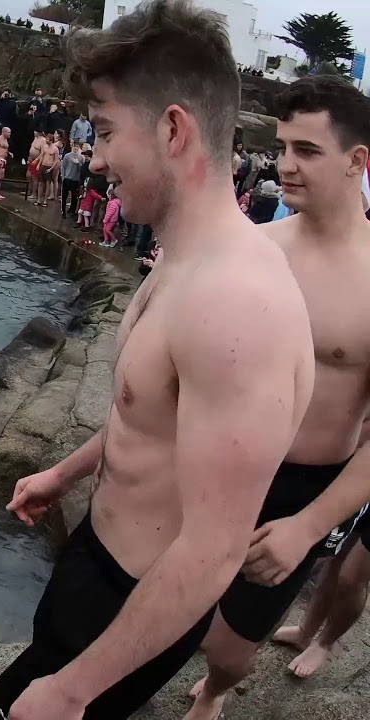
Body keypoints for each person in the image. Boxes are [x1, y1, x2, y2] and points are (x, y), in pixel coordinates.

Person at [0, 3, 316, 718]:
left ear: (172, 129)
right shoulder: (184, 259)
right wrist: (66, 473)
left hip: (132, 601)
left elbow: (215, 550)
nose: (95, 159)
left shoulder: (236, 305)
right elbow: (154, 414)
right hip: (96, 556)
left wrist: (73, 691)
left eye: (104, 131)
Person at [184, 75, 370, 719]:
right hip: (220, 463)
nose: (286, 164)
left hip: (303, 486)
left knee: (233, 647)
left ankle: (215, 692)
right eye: (282, 147)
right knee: (173, 605)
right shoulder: (255, 248)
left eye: (307, 151)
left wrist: (309, 526)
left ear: (357, 160)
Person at [61, 143, 88, 219]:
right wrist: (63, 176)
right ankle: (63, 211)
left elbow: (83, 169)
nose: (75, 148)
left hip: (76, 180)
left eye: (77, 146)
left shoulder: (81, 157)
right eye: (74, 146)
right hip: (67, 178)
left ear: (79, 148)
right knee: (64, 196)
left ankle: (72, 211)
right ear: (72, 147)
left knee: (74, 197)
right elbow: (63, 167)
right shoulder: (67, 156)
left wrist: (78, 163)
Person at [33, 133, 60, 207]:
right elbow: (42, 155)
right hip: (43, 165)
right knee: (40, 183)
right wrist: (39, 164)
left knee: (48, 184)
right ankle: (38, 200)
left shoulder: (55, 149)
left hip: (49, 166)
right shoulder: (44, 147)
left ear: (51, 141)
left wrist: (51, 168)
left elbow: (55, 160)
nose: (46, 140)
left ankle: (45, 201)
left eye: (47, 139)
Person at [26, 131, 46, 201]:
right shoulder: (35, 138)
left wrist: (37, 160)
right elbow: (32, 148)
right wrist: (29, 157)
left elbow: (43, 152)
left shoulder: (43, 140)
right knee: (28, 175)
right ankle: (28, 191)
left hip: (37, 161)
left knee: (34, 177)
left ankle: (34, 194)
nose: (34, 132)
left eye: (35, 131)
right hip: (31, 159)